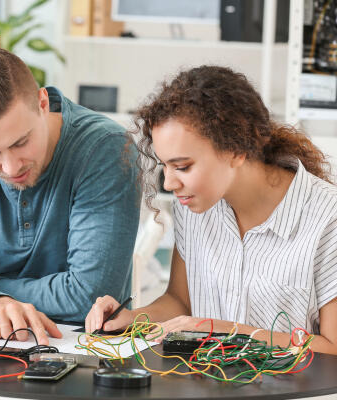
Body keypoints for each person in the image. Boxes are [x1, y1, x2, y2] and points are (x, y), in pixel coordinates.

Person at [85, 65, 337, 354]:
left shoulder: (328, 218)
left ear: (236, 149)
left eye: (182, 167)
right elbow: (180, 302)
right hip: (207, 385)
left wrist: (230, 332)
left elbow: (334, 348)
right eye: (164, 166)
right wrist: (131, 319)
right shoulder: (195, 207)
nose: (169, 183)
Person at [0, 35, 140, 345]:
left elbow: (90, 294)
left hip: (80, 345)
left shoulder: (106, 148)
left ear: (42, 103)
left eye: (20, 142)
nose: (10, 167)